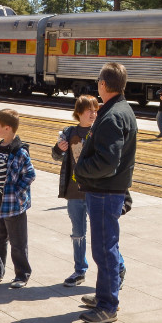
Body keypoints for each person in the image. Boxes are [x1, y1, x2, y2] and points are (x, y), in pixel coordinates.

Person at [74, 62, 137, 323]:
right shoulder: (122, 110)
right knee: (105, 247)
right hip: (109, 191)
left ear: (102, 84)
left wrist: (81, 167)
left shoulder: (112, 116)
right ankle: (103, 296)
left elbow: (108, 162)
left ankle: (108, 305)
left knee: (103, 249)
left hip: (104, 193)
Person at [0, 109, 35, 289]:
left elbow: (30, 175)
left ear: (7, 128)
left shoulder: (19, 151)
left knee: (18, 241)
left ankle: (22, 274)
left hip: (13, 205)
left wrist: (17, 192)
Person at [53, 94, 99, 287]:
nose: (94, 113)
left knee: (102, 235)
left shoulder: (99, 132)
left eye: (96, 110)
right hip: (74, 193)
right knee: (77, 233)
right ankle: (80, 270)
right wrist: (58, 148)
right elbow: (56, 156)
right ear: (79, 112)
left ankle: (117, 269)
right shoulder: (69, 132)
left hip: (95, 192)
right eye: (90, 110)